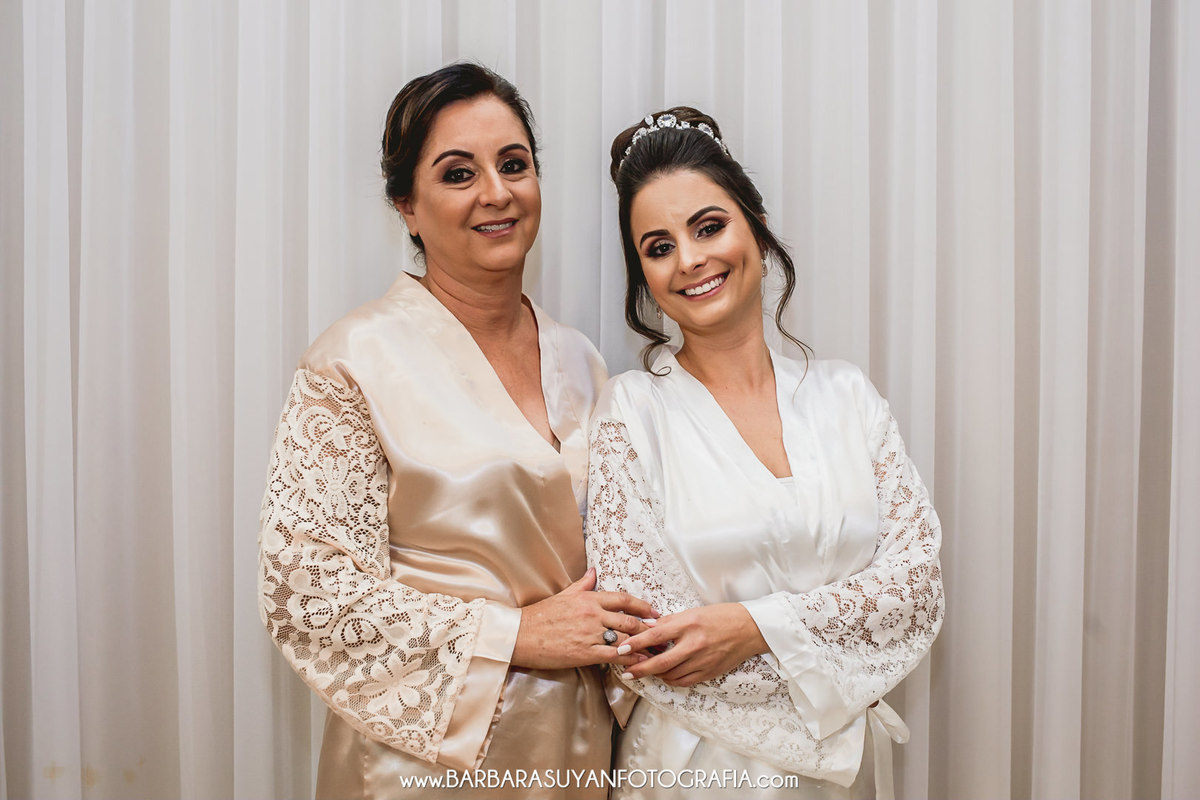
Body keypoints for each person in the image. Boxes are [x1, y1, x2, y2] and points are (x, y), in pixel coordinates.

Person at [257, 63, 655, 800]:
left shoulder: (583, 361)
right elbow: (307, 593)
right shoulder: (353, 361)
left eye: (514, 164)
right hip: (421, 770)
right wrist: (517, 635)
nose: (496, 193)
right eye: (458, 173)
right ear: (407, 206)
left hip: (573, 754)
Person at [586, 107, 944, 800]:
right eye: (658, 247)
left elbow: (915, 587)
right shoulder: (631, 412)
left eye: (708, 226)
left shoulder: (846, 395)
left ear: (755, 223)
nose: (690, 260)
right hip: (694, 774)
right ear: (643, 275)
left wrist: (754, 626)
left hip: (849, 774)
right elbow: (648, 645)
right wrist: (840, 647)